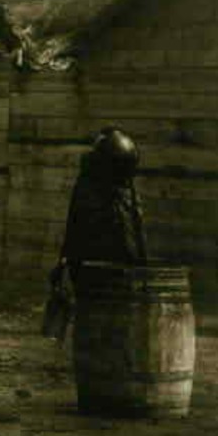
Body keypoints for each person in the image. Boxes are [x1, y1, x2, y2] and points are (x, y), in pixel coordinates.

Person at [47, 127, 148, 338]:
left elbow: (134, 228)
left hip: (114, 266)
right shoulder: (92, 189)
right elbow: (77, 224)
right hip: (94, 264)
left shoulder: (123, 189)